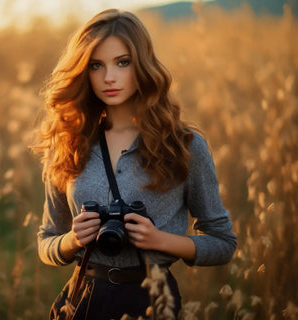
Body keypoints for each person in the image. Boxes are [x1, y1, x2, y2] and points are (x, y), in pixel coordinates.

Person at [32, 8, 237, 320]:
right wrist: (72, 241)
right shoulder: (68, 143)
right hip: (83, 300)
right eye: (96, 66)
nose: (108, 77)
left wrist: (160, 241)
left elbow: (223, 244)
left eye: (122, 62)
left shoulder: (184, 146)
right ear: (84, 71)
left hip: (152, 300)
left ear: (142, 66)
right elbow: (47, 242)